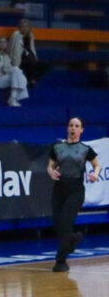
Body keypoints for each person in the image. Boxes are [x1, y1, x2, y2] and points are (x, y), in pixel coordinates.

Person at [47, 117, 100, 272]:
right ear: (67, 128)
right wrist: (51, 172)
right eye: (71, 125)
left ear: (81, 130)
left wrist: (95, 174)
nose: (73, 128)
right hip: (59, 188)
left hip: (75, 190)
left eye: (77, 126)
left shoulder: (85, 149)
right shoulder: (58, 147)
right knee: (57, 223)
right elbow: (50, 166)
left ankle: (61, 261)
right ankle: (73, 239)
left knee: (65, 223)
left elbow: (96, 165)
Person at [9, 18, 40, 87]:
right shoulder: (16, 35)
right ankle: (30, 79)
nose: (25, 28)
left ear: (29, 28)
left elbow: (32, 48)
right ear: (20, 27)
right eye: (23, 26)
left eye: (26, 26)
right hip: (18, 58)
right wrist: (10, 59)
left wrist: (35, 57)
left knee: (34, 61)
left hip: (28, 56)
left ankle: (31, 79)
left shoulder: (31, 35)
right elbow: (11, 47)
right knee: (30, 60)